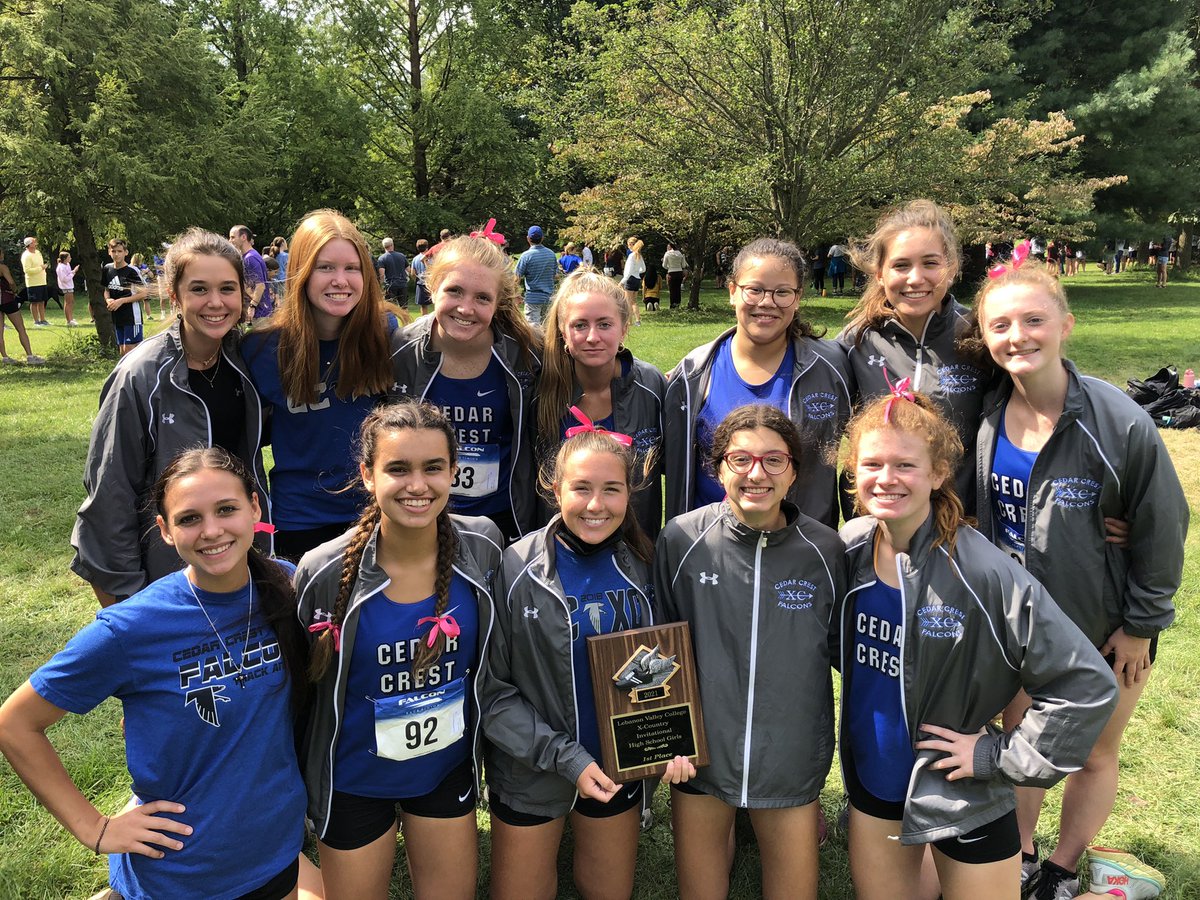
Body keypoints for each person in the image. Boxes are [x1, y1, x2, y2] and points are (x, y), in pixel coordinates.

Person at [837, 390, 1118, 900]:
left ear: (939, 473)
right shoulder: (850, 548)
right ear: (853, 471)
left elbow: (1086, 684)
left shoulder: (982, 572)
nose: (887, 478)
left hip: (961, 792)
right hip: (873, 783)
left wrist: (997, 755)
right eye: (872, 464)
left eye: (905, 465)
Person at [964, 261, 1188, 900]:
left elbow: (1163, 526)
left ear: (1065, 324)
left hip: (1103, 626)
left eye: (1034, 319)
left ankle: (1062, 867)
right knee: (1025, 746)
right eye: (1000, 324)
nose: (1018, 335)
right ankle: (1022, 854)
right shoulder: (987, 413)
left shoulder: (1119, 422)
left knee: (1092, 753)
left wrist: (1140, 627)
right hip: (1016, 625)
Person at [0, 448, 313, 900]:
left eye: (226, 509)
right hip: (180, 871)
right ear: (165, 530)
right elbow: (15, 723)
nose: (212, 530)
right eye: (190, 519)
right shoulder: (132, 628)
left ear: (254, 508)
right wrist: (95, 828)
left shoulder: (289, 586)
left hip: (275, 849)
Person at [295, 401, 502, 899]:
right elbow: (296, 691)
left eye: (433, 467)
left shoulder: (483, 546)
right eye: (398, 469)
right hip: (353, 780)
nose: (418, 485)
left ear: (453, 471)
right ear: (368, 475)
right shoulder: (323, 572)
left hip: (443, 770)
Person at [654, 404, 844, 900]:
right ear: (718, 469)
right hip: (700, 756)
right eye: (740, 459)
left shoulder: (826, 551)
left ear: (794, 472)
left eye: (773, 460)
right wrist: (665, 737)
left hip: (789, 755)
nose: (756, 474)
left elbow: (847, 652)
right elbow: (657, 649)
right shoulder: (681, 539)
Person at [482, 430, 658, 900]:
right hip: (531, 769)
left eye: (611, 489)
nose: (595, 504)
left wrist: (671, 741)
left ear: (630, 493)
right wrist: (567, 758)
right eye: (581, 488)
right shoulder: (514, 567)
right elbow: (492, 693)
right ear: (555, 489)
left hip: (616, 765)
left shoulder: (645, 565)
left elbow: (667, 669)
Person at [72, 229, 270, 606]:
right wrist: (130, 601)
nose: (215, 302)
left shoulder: (246, 360)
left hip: (238, 563)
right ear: (174, 295)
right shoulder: (140, 376)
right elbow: (110, 496)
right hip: (166, 577)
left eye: (227, 288)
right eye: (199, 289)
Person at [663, 237, 852, 528]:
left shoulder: (832, 367)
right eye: (754, 290)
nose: (766, 302)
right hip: (710, 545)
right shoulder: (692, 373)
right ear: (732, 292)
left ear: (798, 297)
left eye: (782, 292)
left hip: (802, 545)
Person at [242, 209, 397, 562]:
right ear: (301, 271)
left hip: (378, 510)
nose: (340, 280)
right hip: (300, 517)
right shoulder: (262, 349)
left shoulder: (386, 334)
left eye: (352, 268)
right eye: (325, 267)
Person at [390, 231, 542, 543]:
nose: (466, 308)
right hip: (421, 516)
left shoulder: (528, 352)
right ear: (432, 288)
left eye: (482, 298)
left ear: (498, 302)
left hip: (503, 519)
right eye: (455, 291)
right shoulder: (399, 350)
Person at [840, 200, 985, 509]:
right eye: (901, 265)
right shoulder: (857, 341)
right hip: (878, 519)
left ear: (952, 268)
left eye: (930, 263)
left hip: (960, 520)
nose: (916, 278)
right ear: (879, 273)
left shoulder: (979, 337)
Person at [537, 270, 666, 537]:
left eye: (605, 324)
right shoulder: (542, 392)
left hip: (637, 546)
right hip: (560, 547)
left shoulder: (651, 386)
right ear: (563, 332)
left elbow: (676, 468)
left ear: (624, 329)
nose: (592, 337)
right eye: (580, 325)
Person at [102, 238, 148, 355]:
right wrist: (108, 299)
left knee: (130, 352)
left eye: (119, 251)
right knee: (123, 352)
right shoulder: (107, 269)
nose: (116, 254)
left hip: (131, 317)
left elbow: (143, 293)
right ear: (109, 252)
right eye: (113, 251)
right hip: (117, 317)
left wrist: (122, 301)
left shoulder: (131, 271)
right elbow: (106, 290)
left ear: (126, 252)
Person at [0, 248, 43, 364]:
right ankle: (30, 356)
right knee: (20, 328)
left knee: (0, 332)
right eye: (2, 253)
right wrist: (14, 291)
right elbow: (11, 282)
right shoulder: (3, 267)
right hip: (7, 299)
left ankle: (5, 357)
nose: (3, 254)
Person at [515, 225, 559, 326]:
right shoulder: (551, 254)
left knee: (533, 327)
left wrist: (516, 294)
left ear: (528, 239)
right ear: (542, 238)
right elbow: (556, 276)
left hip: (533, 298)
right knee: (547, 327)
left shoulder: (526, 256)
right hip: (548, 298)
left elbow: (516, 278)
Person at [230, 225, 274, 318]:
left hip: (260, 313)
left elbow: (260, 286)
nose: (230, 241)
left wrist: (252, 306)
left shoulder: (250, 258)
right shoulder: (249, 256)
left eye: (233, 237)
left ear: (243, 237)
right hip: (260, 312)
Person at [20, 236, 49, 326]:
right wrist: (40, 268)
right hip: (33, 282)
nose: (36, 244)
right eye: (34, 242)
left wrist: (43, 269)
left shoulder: (38, 252)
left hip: (42, 281)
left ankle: (43, 320)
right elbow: (27, 270)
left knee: (42, 301)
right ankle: (36, 321)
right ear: (29, 244)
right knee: (34, 302)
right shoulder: (26, 256)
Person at [619, 237, 645, 326]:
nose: (628, 246)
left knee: (628, 302)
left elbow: (628, 271)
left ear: (632, 245)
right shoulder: (639, 255)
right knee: (634, 301)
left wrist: (622, 281)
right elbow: (643, 269)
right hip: (637, 279)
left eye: (629, 244)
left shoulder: (631, 256)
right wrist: (637, 271)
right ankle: (637, 320)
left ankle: (629, 321)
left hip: (630, 279)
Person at [377, 236, 409, 305]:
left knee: (391, 307)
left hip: (390, 285)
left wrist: (380, 285)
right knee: (404, 307)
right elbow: (408, 269)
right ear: (392, 244)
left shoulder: (382, 258)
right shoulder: (402, 256)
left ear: (384, 246)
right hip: (402, 284)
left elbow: (382, 274)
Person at [56, 251, 80, 326]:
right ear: (64, 258)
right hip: (66, 286)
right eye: (69, 257)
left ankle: (71, 318)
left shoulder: (67, 264)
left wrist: (73, 271)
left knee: (71, 302)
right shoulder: (60, 267)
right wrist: (74, 272)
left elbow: (69, 274)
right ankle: (69, 320)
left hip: (69, 285)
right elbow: (64, 279)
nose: (70, 258)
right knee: (68, 302)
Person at [661, 242, 687, 309]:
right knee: (678, 289)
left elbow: (664, 265)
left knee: (672, 290)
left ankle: (672, 305)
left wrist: (669, 267)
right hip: (679, 273)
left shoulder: (667, 254)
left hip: (671, 273)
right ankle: (677, 304)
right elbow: (683, 265)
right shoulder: (680, 254)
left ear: (671, 247)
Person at [411, 237, 432, 312]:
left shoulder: (415, 259)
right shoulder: (430, 258)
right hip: (431, 283)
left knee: (423, 306)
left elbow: (412, 273)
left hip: (420, 283)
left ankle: (424, 318)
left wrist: (416, 280)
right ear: (427, 247)